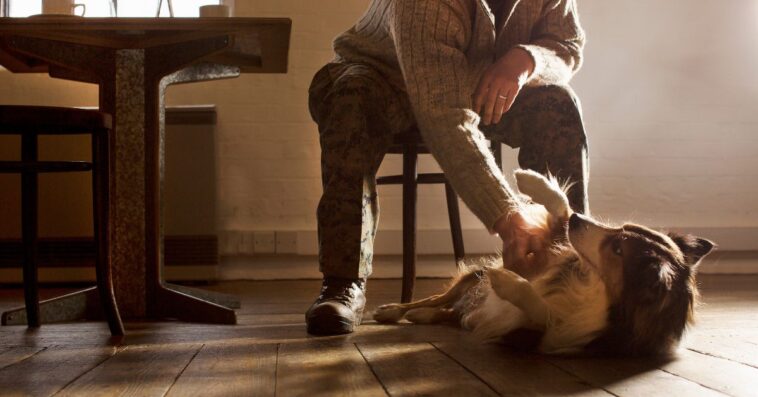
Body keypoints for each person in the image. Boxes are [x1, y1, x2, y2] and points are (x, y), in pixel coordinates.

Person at [306, 0, 589, 335]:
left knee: (557, 102)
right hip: (381, 79)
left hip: (475, 82)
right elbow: (445, 116)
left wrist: (527, 60)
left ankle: (571, 265)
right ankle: (343, 283)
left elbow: (566, 45)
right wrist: (508, 216)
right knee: (350, 100)